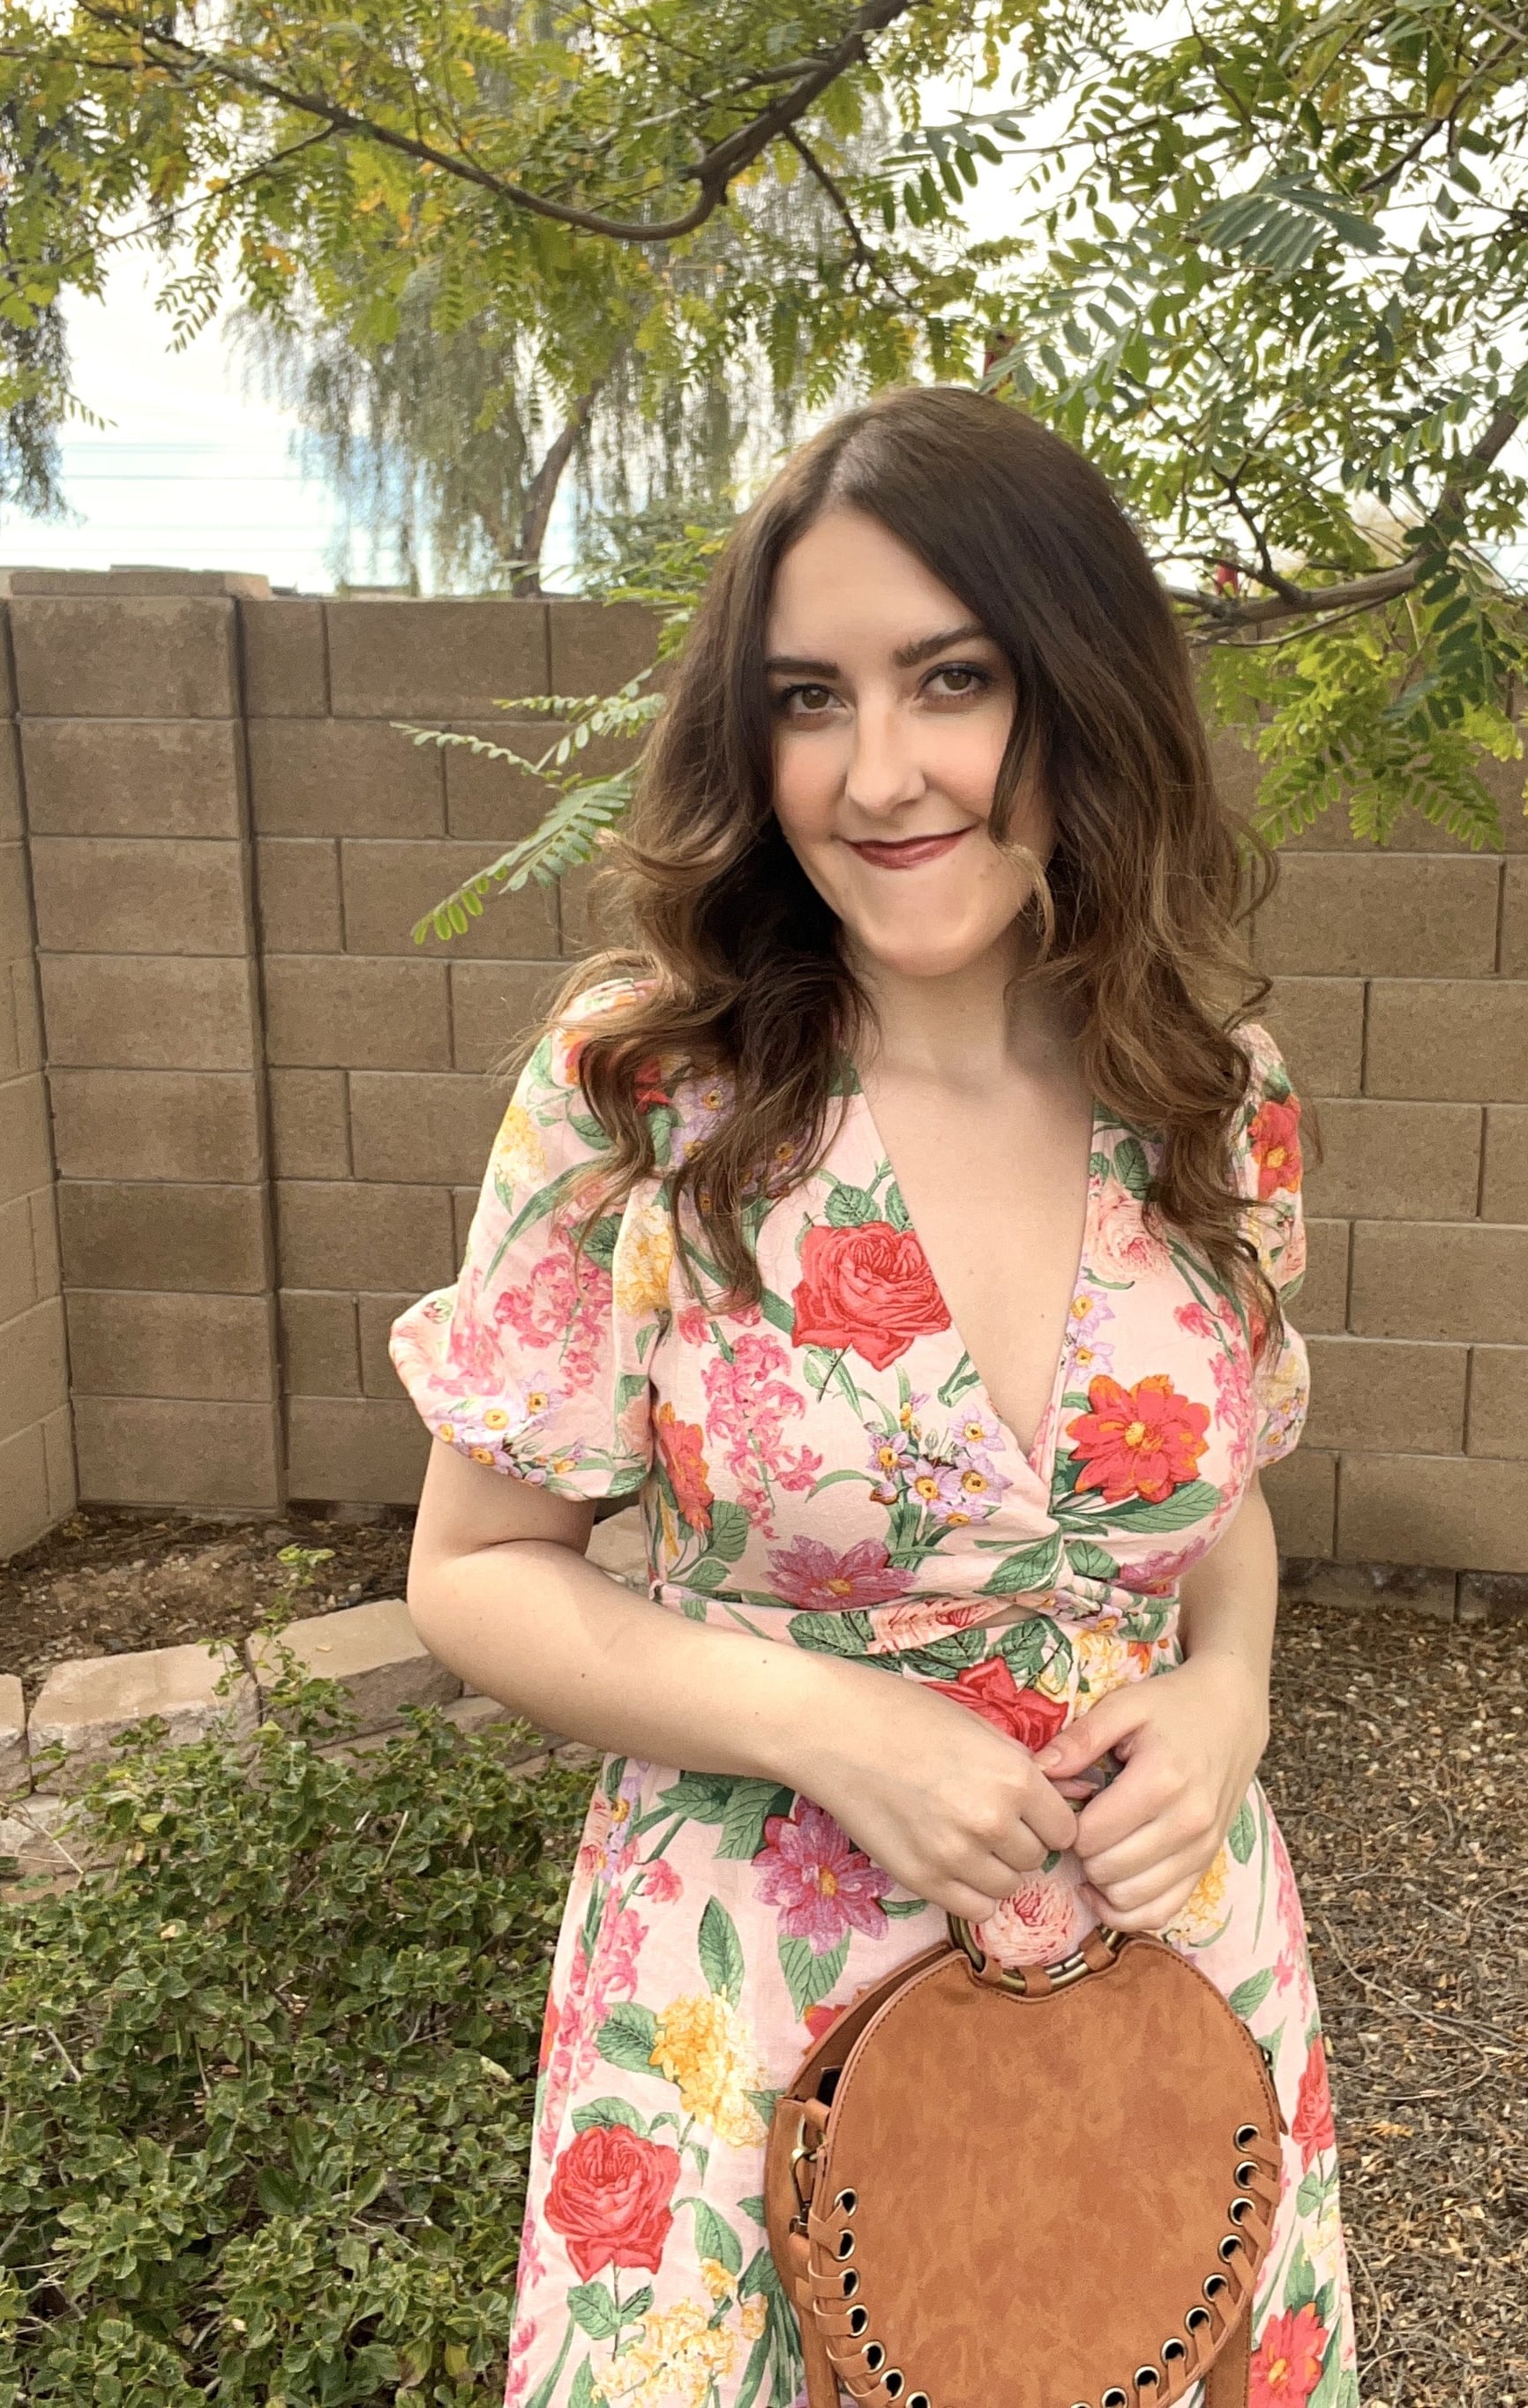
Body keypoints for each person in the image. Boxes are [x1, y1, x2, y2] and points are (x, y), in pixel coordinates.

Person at [392, 383, 1356, 2408]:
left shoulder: (1213, 1088)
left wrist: (1228, 1693)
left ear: (1078, 694)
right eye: (809, 697)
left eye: (953, 680)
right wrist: (834, 1724)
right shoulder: (647, 1093)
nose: (881, 771)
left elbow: (1219, 1501)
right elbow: (479, 1567)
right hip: (743, 2014)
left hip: (1159, 1989)